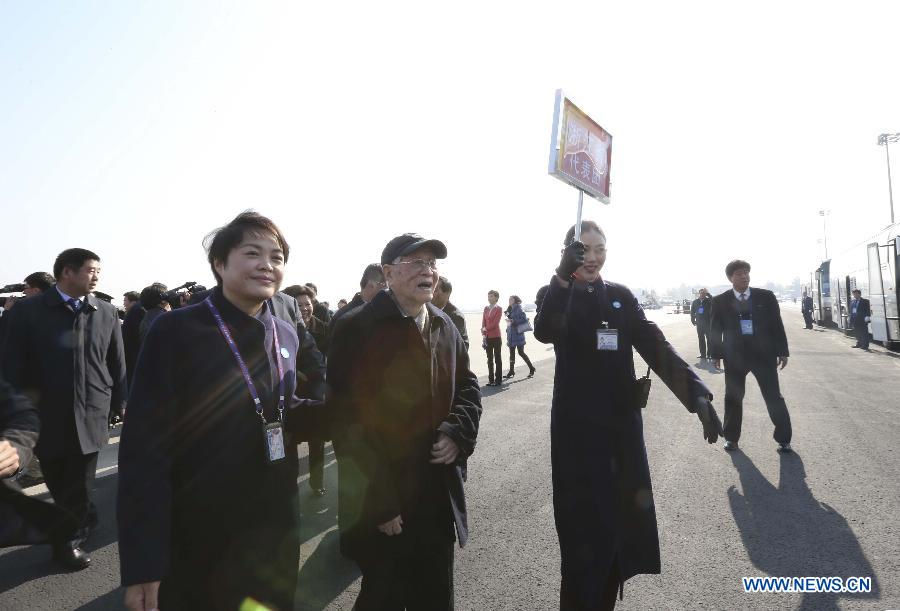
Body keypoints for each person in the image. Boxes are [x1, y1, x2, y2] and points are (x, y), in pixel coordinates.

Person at [117, 212, 327, 611]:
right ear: (219, 263)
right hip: (201, 533)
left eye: (277, 256)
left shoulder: (284, 331)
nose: (268, 264)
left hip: (275, 528)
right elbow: (144, 451)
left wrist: (356, 411)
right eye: (253, 253)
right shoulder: (177, 331)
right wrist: (144, 562)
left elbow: (283, 412)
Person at [534, 221, 722, 611]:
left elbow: (655, 344)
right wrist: (560, 278)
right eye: (583, 249)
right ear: (569, 252)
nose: (593, 256)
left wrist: (697, 397)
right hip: (577, 438)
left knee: (619, 537)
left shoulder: (619, 296)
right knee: (583, 540)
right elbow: (545, 330)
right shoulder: (556, 294)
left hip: (621, 436)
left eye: (600, 248)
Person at [329, 232, 481, 610]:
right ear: (388, 273)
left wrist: (457, 431)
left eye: (432, 264)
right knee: (384, 594)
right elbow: (346, 421)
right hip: (386, 493)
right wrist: (380, 500)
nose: (427, 271)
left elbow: (468, 386)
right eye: (416, 263)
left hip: (437, 488)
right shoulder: (356, 328)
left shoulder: (444, 324)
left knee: (435, 595)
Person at [2, 248, 127, 570]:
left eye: (98, 270)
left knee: (81, 479)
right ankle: (83, 515)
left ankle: (67, 540)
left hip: (92, 409)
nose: (96, 276)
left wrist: (121, 401)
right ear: (67, 273)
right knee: (58, 477)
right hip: (44, 413)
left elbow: (116, 362)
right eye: (90, 270)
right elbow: (10, 364)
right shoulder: (28, 311)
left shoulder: (105, 312)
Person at [709, 259, 792, 453]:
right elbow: (715, 330)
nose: (744, 276)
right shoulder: (720, 301)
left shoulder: (766, 297)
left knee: (773, 397)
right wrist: (716, 354)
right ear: (731, 278)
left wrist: (782, 351)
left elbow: (776, 325)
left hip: (764, 356)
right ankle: (731, 438)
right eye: (739, 273)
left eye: (746, 272)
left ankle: (784, 439)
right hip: (735, 357)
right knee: (733, 398)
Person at [283, 284, 329, 496]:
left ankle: (316, 482)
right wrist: (299, 374)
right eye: (299, 304)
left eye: (307, 304)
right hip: (291, 392)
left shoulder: (323, 327)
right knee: (290, 442)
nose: (304, 308)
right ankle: (289, 485)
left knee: (316, 441)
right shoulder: (283, 327)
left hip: (316, 391)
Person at [330, 263, 386, 327]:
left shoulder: (383, 314)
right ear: (371, 285)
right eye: (385, 286)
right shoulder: (344, 317)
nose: (388, 290)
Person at [432, 275, 469, 350]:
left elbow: (459, 349)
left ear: (447, 293)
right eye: (430, 288)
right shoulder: (426, 311)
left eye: (435, 290)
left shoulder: (455, 316)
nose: (430, 293)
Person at [504, 295, 535, 379]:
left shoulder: (518, 308)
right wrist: (508, 322)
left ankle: (531, 368)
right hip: (511, 334)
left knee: (521, 352)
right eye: (509, 299)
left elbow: (524, 319)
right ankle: (511, 371)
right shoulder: (509, 308)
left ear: (515, 300)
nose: (509, 300)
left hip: (518, 334)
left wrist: (513, 321)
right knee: (511, 353)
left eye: (511, 299)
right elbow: (509, 319)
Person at [482, 290, 503, 386]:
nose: (489, 298)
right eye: (488, 296)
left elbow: (495, 323)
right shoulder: (486, 308)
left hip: (496, 337)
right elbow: (484, 321)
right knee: (489, 359)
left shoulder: (499, 309)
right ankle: (491, 380)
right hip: (488, 337)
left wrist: (485, 328)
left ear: (496, 298)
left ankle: (498, 380)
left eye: (491, 296)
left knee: (497, 359)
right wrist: (483, 332)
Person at [690, 288, 713, 361]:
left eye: (704, 293)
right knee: (701, 339)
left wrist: (708, 294)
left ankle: (709, 354)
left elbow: (714, 301)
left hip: (708, 323)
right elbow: (692, 311)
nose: (702, 294)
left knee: (709, 339)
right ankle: (703, 354)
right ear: (699, 294)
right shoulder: (695, 302)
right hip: (699, 324)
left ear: (705, 294)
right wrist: (693, 320)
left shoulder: (709, 301)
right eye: (701, 293)